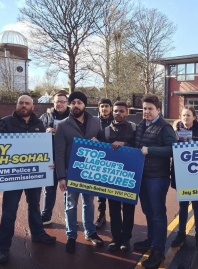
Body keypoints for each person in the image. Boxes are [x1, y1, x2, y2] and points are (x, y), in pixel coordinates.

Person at [0, 95, 56, 264]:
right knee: (9, 211)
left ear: (32, 106)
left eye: (27, 103)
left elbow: (45, 149)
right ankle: (3, 247)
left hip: (33, 175)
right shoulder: (5, 122)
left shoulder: (39, 124)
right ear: (16, 105)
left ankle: (38, 234)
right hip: (13, 176)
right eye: (21, 103)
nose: (23, 105)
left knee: (34, 206)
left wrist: (49, 162)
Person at [55, 91, 103, 253]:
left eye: (79, 102)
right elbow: (59, 152)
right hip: (71, 173)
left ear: (84, 104)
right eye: (73, 102)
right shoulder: (62, 125)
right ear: (69, 105)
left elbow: (104, 143)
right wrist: (61, 176)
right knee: (71, 205)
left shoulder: (96, 122)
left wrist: (99, 142)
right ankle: (71, 235)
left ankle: (90, 232)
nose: (76, 105)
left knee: (89, 203)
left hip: (90, 171)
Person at [133, 94, 177, 268]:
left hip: (157, 177)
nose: (146, 111)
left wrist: (150, 150)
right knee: (148, 211)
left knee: (158, 214)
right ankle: (151, 241)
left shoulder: (164, 127)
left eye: (150, 108)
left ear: (158, 110)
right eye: (144, 108)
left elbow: (173, 149)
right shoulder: (141, 125)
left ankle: (158, 251)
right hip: (143, 176)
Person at [95, 101, 136, 252]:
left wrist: (124, 144)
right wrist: (96, 143)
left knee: (128, 209)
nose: (118, 113)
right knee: (113, 209)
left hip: (130, 174)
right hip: (111, 175)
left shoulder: (134, 128)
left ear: (127, 112)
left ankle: (126, 238)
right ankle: (115, 238)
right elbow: (100, 149)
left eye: (121, 111)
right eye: (116, 111)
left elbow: (139, 147)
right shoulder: (105, 130)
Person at [170, 106, 198, 251]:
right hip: (180, 175)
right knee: (183, 206)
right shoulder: (174, 133)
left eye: (188, 115)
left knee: (197, 206)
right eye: (183, 115)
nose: (186, 118)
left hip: (196, 176)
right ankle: (181, 234)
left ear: (194, 117)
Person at [39, 92, 70, 225]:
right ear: (53, 102)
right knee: (49, 189)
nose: (60, 104)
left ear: (67, 103)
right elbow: (35, 134)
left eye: (62, 101)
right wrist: (44, 132)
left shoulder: (73, 117)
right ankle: (46, 215)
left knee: (68, 191)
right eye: (57, 101)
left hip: (66, 160)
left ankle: (70, 216)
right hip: (50, 160)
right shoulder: (45, 117)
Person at [95, 98, 114, 228]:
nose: (104, 108)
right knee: (100, 191)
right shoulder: (93, 122)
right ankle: (101, 215)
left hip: (114, 160)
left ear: (111, 108)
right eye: (102, 106)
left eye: (106, 106)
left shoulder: (116, 121)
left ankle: (116, 218)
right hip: (99, 160)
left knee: (114, 191)